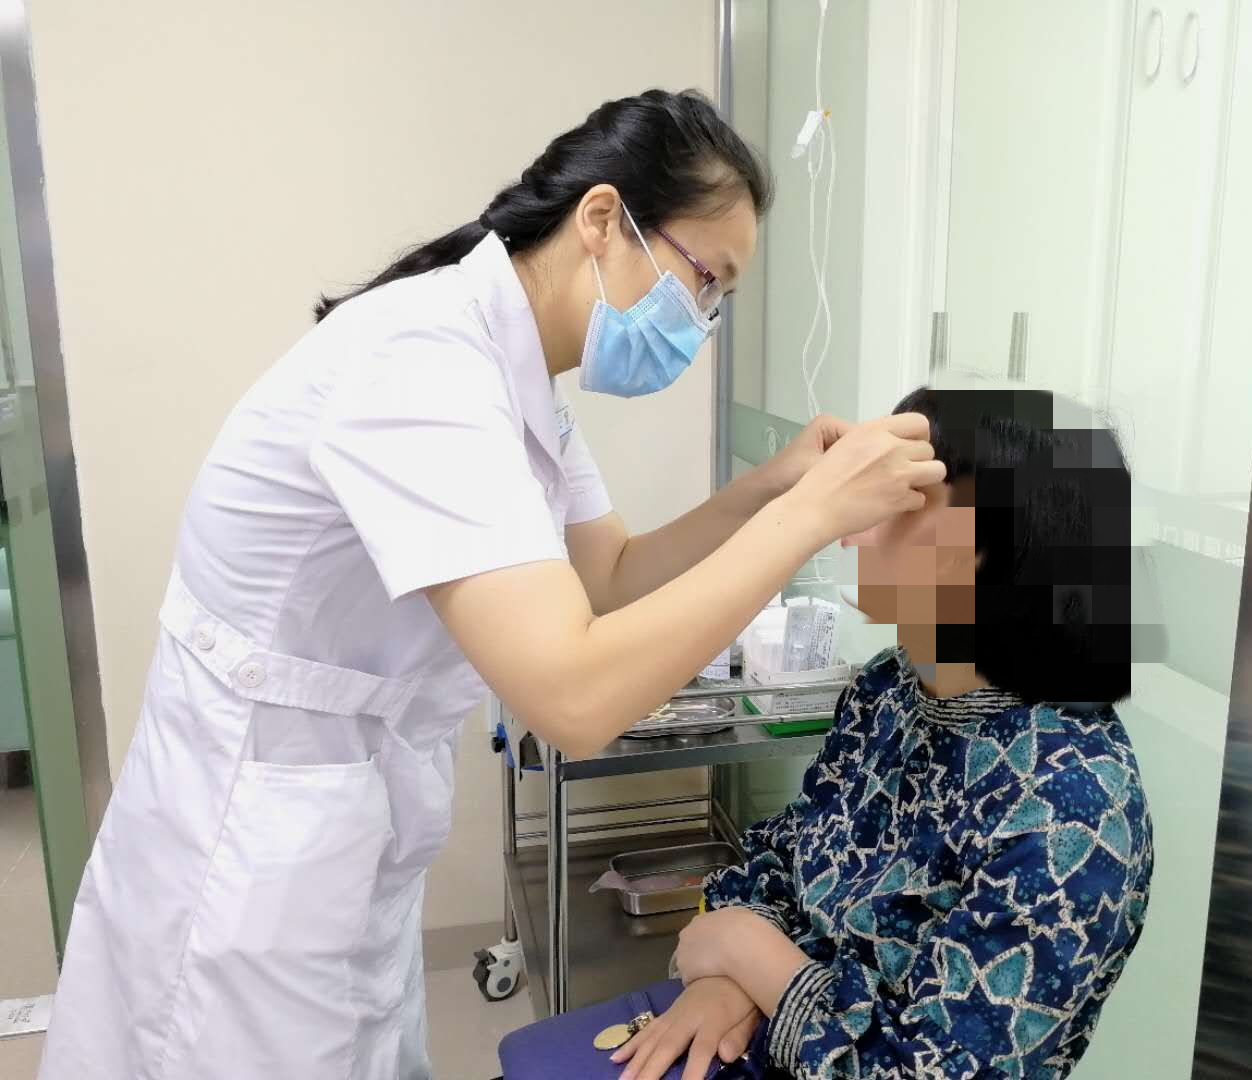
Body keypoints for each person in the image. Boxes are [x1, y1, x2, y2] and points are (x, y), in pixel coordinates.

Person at [38, 90, 944, 1080]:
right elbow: (573, 699)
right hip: (250, 845)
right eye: (703, 282)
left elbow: (610, 576)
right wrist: (806, 518)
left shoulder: (520, 382)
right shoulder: (423, 362)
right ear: (603, 219)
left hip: (337, 826)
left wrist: (771, 487)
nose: (701, 324)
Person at [611, 388, 1153, 1080]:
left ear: (972, 547)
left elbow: (924, 1069)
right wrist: (726, 983)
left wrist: (750, 955)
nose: (847, 527)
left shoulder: (1071, 808)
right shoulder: (890, 688)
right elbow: (786, 856)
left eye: (894, 493)